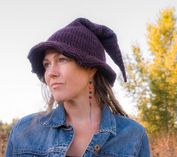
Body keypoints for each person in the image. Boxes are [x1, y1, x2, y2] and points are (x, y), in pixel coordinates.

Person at [5, 18, 150, 157]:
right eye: (46, 64)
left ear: (91, 68)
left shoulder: (133, 136)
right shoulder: (24, 132)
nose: (50, 73)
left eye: (62, 60)